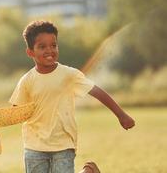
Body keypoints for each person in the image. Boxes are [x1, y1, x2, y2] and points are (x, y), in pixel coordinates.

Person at [9, 20, 135, 173]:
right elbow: (16, 112)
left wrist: (121, 115)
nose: (49, 50)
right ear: (30, 52)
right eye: (42, 47)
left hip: (63, 143)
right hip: (34, 146)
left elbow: (97, 92)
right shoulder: (26, 80)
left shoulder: (69, 74)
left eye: (53, 45)